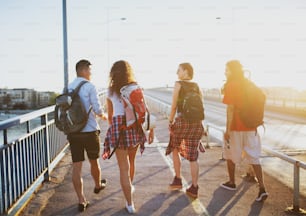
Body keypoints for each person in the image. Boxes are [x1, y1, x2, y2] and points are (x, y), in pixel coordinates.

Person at [102, 60, 154, 214]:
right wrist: (151, 130)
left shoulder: (110, 91)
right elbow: (145, 109)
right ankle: (129, 189)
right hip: (134, 126)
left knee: (123, 168)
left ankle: (130, 204)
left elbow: (111, 117)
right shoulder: (135, 87)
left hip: (119, 127)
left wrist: (113, 129)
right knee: (131, 161)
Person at [220, 60, 268, 202]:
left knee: (229, 154)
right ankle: (262, 188)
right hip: (251, 126)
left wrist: (227, 130)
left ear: (232, 71)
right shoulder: (249, 84)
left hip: (236, 127)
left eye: (226, 69)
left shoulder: (231, 85)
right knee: (254, 158)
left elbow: (230, 109)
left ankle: (232, 182)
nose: (225, 72)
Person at [66, 59, 107, 212]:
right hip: (89, 131)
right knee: (94, 162)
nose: (91, 73)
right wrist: (104, 116)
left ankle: (81, 200)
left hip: (74, 132)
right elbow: (97, 109)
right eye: (89, 70)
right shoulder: (89, 86)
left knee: (77, 166)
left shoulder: (68, 87)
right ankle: (97, 185)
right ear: (83, 70)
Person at [166, 62, 205, 199]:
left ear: (186, 71)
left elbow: (174, 106)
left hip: (182, 122)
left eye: (179, 70)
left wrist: (170, 121)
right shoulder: (197, 86)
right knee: (193, 156)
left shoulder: (178, 84)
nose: (177, 72)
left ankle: (178, 179)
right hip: (196, 124)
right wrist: (202, 125)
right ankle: (194, 187)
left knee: (175, 149)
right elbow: (202, 106)